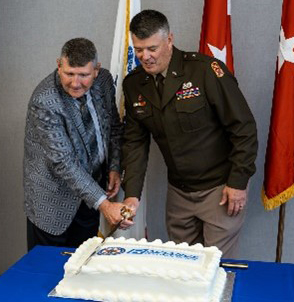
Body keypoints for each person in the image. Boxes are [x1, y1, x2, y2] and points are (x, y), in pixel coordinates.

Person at [121, 10, 258, 258]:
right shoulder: (133, 84)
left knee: (217, 270)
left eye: (152, 48)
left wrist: (238, 182)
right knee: (183, 268)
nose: (145, 57)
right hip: (178, 193)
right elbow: (135, 143)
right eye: (139, 49)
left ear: (169, 39)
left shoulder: (205, 71)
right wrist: (131, 194)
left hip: (220, 190)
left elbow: (243, 127)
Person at [24, 37, 130, 250]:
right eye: (69, 73)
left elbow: (114, 128)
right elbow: (64, 163)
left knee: (83, 266)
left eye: (83, 75)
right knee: (47, 274)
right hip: (53, 202)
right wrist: (105, 204)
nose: (75, 82)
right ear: (59, 65)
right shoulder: (44, 101)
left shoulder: (105, 82)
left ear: (97, 70)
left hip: (90, 195)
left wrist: (114, 167)